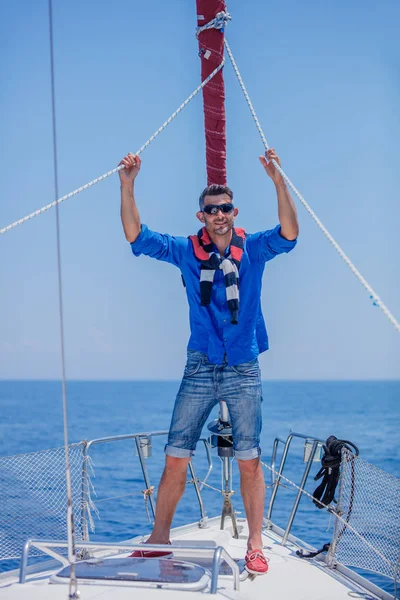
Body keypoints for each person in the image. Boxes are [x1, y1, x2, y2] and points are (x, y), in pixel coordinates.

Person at [119, 149, 299, 575]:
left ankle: (255, 545)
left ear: (234, 212)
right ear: (201, 216)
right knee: (175, 454)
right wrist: (127, 185)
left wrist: (278, 181)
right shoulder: (185, 251)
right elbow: (136, 236)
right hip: (199, 365)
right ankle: (159, 539)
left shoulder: (253, 249)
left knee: (249, 458)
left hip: (242, 365)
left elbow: (290, 235)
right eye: (212, 209)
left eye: (226, 208)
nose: (220, 214)